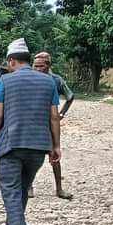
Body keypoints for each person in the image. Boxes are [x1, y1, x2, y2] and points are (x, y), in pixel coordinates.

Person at [0, 38, 62, 225]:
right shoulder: (48, 82)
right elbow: (54, 117)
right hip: (38, 146)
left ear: (11, 61)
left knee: (9, 189)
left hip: (12, 144)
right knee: (22, 187)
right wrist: (56, 146)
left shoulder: (6, 81)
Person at [34, 51, 74, 199]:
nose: (37, 69)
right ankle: (29, 187)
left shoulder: (56, 80)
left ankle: (59, 188)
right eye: (35, 66)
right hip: (33, 121)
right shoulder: (31, 79)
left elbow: (70, 96)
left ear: (48, 65)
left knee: (54, 154)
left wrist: (61, 113)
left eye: (41, 66)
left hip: (50, 122)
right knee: (30, 154)